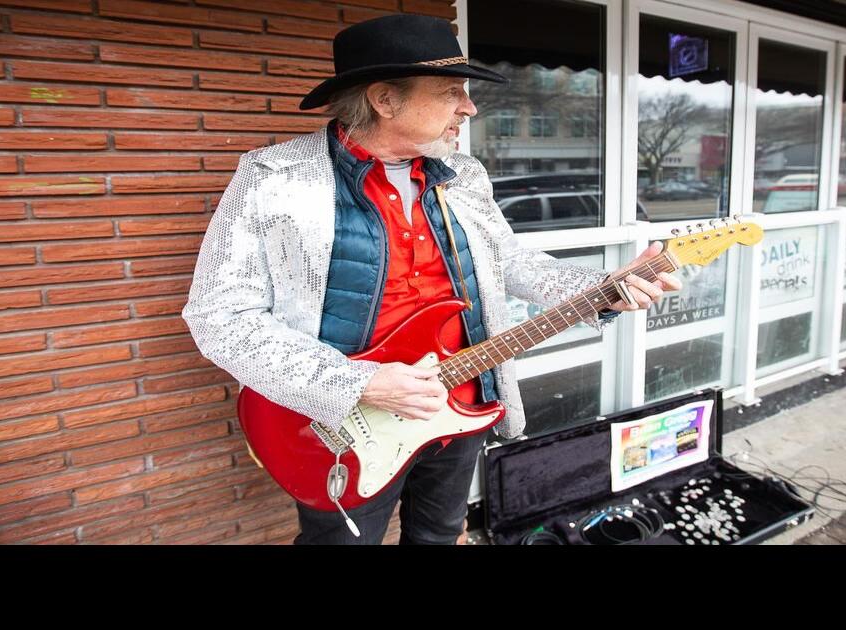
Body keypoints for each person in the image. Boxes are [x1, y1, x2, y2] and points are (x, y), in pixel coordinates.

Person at [181, 13, 681, 545]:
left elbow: (512, 264)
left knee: (440, 536)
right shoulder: (272, 177)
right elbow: (220, 317)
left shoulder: (465, 176)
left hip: (463, 404)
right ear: (385, 99)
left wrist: (607, 286)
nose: (468, 107)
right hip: (344, 426)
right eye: (451, 91)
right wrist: (360, 383)